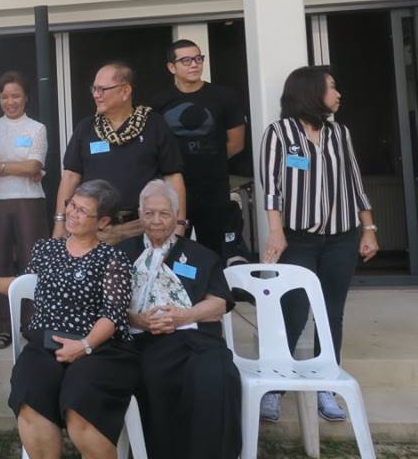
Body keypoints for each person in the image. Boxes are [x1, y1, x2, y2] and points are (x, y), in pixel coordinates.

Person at [0, 180, 138, 459]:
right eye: (72, 205)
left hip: (98, 349)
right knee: (31, 392)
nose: (72, 213)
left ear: (103, 221)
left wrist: (84, 346)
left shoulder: (113, 259)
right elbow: (24, 284)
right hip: (46, 345)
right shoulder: (46, 249)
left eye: (83, 210)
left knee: (80, 404)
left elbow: (113, 314)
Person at [258, 66, 379, 423]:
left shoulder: (339, 133)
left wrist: (369, 228)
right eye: (331, 87)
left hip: (342, 236)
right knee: (294, 311)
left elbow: (356, 183)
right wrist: (276, 232)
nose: (338, 94)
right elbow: (271, 189)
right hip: (298, 239)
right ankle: (275, 385)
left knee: (331, 313)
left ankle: (326, 384)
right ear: (310, 92)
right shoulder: (279, 133)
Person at [119, 180, 241, 459]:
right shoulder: (122, 253)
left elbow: (220, 303)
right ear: (140, 215)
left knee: (218, 377)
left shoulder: (200, 254)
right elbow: (107, 307)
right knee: (153, 375)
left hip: (197, 339)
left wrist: (183, 315)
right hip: (146, 341)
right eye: (149, 213)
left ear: (177, 216)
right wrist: (138, 320)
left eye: (164, 213)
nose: (156, 220)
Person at [54, 61, 185, 245]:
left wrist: (179, 224)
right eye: (94, 89)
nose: (96, 95)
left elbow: (173, 177)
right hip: (95, 229)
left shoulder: (154, 124)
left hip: (143, 227)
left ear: (125, 91)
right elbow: (70, 177)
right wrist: (60, 222)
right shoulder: (86, 128)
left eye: (102, 89)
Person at [150, 40, 246, 260]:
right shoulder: (159, 102)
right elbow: (153, 147)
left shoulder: (224, 96)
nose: (194, 64)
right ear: (171, 67)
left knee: (213, 253)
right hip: (173, 189)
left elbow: (236, 143)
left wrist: (210, 160)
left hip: (214, 188)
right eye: (186, 60)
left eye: (198, 58)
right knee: (172, 250)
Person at [0, 71, 48, 350]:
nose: (10, 101)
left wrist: (1, 166)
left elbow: (34, 166)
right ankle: (3, 326)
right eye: (5, 96)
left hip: (30, 201)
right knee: (0, 260)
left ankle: (31, 322)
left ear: (26, 97)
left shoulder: (37, 128)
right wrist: (19, 167)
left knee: (32, 262)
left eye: (16, 95)